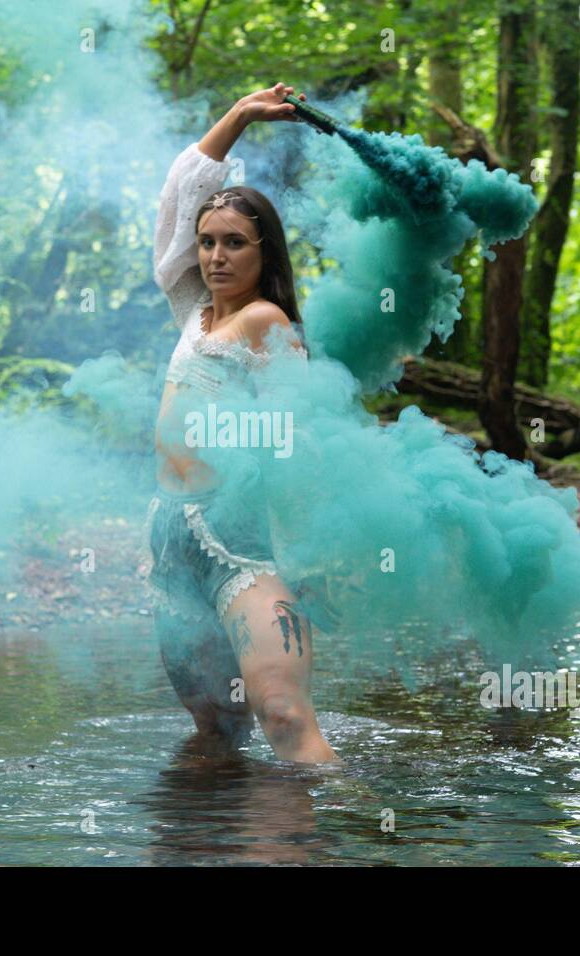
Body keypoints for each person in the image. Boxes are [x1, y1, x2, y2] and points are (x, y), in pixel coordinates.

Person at [144, 83, 339, 765]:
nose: (216, 256)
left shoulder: (268, 324)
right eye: (207, 243)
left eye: (234, 244)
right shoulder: (192, 309)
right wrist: (241, 116)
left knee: (283, 715)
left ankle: (358, 832)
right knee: (215, 726)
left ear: (264, 254)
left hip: (238, 543)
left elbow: (299, 443)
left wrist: (308, 559)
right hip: (171, 541)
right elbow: (177, 198)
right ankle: (221, 838)